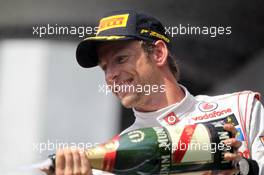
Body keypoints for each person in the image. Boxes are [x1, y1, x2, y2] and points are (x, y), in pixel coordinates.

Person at [42, 10, 264, 175]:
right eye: (104, 67)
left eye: (121, 59)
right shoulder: (111, 161)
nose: (111, 75)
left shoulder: (241, 108)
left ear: (158, 53)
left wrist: (244, 170)